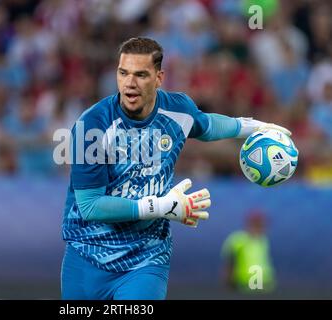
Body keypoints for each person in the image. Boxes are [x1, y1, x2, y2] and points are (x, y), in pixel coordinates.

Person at [61, 37, 289, 300]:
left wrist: (252, 126)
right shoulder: (92, 125)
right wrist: (160, 207)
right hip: (87, 254)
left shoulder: (177, 109)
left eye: (140, 75)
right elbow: (90, 206)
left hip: (146, 257)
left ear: (159, 78)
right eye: (123, 73)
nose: (129, 83)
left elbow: (207, 125)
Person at [221, 210, 276, 293]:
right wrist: (229, 281)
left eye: (262, 225)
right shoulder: (238, 240)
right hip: (245, 284)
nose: (260, 228)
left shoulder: (264, 240)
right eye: (257, 225)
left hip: (265, 284)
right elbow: (229, 263)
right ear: (249, 224)